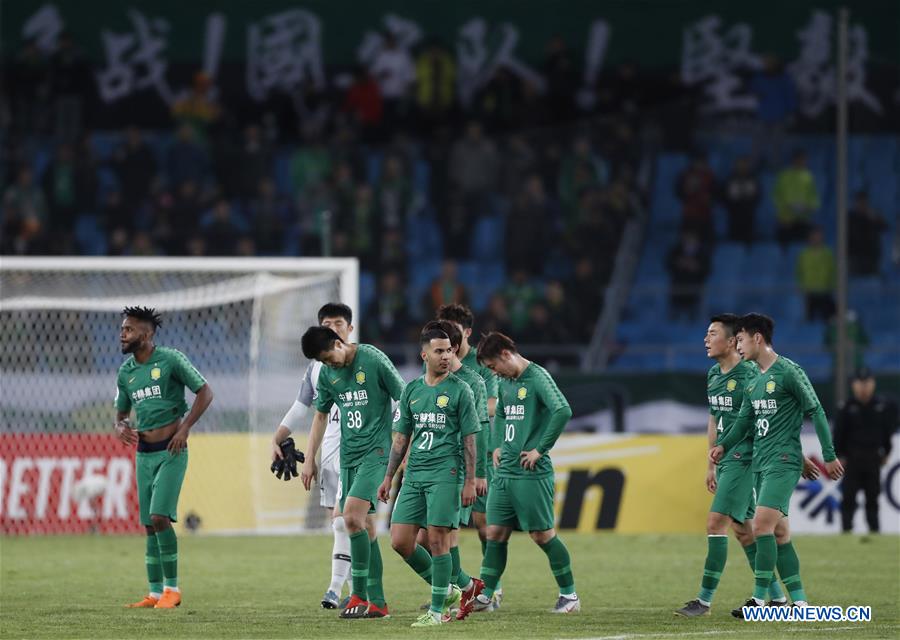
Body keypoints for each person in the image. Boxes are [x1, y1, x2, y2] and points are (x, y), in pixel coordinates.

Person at [675, 314, 818, 617]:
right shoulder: (713, 375)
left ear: (731, 342)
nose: (706, 339)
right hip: (728, 458)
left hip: (749, 457)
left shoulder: (752, 374)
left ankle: (704, 601)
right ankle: (781, 600)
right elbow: (715, 418)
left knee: (716, 522)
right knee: (749, 531)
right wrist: (711, 463)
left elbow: (773, 417)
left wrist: (798, 455)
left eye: (712, 334)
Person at [710, 313, 844, 615]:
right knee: (780, 533)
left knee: (760, 526)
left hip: (782, 462)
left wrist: (828, 454)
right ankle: (800, 603)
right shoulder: (753, 378)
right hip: (761, 463)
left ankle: (759, 601)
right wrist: (723, 445)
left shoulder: (789, 372)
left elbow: (816, 411)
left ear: (757, 338)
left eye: (741, 339)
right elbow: (744, 421)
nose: (738, 346)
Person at [461, 332, 580, 616]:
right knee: (494, 533)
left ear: (505, 354)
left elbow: (562, 410)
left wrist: (540, 449)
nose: (494, 373)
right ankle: (487, 594)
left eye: (493, 366)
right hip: (504, 473)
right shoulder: (506, 382)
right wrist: (498, 444)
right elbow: (501, 412)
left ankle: (569, 596)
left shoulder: (537, 377)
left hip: (531, 472)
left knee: (542, 535)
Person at [299, 326, 405, 618]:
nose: (329, 364)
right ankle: (378, 602)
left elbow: (405, 397)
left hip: (377, 453)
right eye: (322, 362)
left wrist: (402, 441)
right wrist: (309, 458)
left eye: (328, 358)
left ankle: (357, 594)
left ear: (338, 343)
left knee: (351, 518)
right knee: (366, 527)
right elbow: (320, 415)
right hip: (349, 458)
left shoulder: (372, 359)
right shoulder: (328, 374)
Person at [378, 327, 480, 627]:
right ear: (424, 355)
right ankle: (449, 589)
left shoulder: (461, 390)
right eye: (439, 351)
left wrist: (470, 480)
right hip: (414, 475)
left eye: (449, 350)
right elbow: (401, 438)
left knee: (437, 540)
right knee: (400, 540)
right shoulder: (412, 390)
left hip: (446, 473)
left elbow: (470, 439)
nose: (446, 356)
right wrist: (388, 477)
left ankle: (436, 612)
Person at [115, 306, 214, 609]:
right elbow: (121, 413)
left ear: (146, 335)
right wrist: (121, 426)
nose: (122, 334)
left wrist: (184, 429)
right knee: (149, 523)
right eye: (122, 329)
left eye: (129, 329)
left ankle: (173, 589)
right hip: (143, 454)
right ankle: (155, 593)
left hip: (172, 451)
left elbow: (205, 392)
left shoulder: (171, 359)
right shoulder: (126, 373)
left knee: (159, 517)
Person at [270, 303, 355, 609]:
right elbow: (303, 408)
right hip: (330, 450)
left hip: (360, 450)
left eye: (338, 323)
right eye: (327, 324)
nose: (333, 329)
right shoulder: (317, 368)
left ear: (349, 328)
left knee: (347, 521)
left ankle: (336, 588)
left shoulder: (364, 360)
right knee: (341, 523)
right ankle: (355, 591)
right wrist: (279, 438)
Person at [834, 368, 898, 533]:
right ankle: (846, 532)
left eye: (867, 383)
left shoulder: (881, 407)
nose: (863, 387)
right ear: (853, 385)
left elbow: (887, 433)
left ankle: (874, 532)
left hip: (873, 460)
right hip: (852, 461)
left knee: (873, 498)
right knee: (848, 498)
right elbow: (838, 435)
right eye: (860, 383)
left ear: (873, 384)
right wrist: (839, 456)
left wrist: (887, 452)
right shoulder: (846, 408)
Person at [773, 150, 819, 248]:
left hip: (803, 218)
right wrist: (785, 209)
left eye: (803, 160)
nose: (802, 162)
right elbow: (776, 196)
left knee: (804, 244)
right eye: (799, 160)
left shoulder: (808, 176)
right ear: (794, 160)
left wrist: (809, 207)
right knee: (784, 244)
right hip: (786, 219)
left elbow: (813, 197)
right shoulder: (784, 176)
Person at [795, 226, 835, 322]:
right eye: (814, 236)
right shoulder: (804, 254)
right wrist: (800, 286)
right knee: (809, 319)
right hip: (809, 291)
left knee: (827, 319)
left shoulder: (828, 253)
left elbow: (833, 271)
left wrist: (833, 286)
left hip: (825, 291)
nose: (816, 238)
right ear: (810, 237)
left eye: (818, 236)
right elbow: (799, 272)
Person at [719, 157, 761, 245]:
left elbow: (757, 196)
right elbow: (724, 197)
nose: (742, 167)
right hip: (734, 215)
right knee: (734, 242)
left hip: (748, 215)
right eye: (740, 165)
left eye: (744, 165)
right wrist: (732, 204)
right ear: (736, 166)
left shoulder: (753, 179)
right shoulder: (730, 179)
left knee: (749, 241)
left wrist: (748, 202)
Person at [848, 190, 888, 276]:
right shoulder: (851, 217)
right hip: (855, 257)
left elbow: (885, 228)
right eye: (860, 202)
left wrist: (875, 218)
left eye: (864, 202)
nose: (862, 205)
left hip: (871, 257)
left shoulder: (872, 216)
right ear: (856, 203)